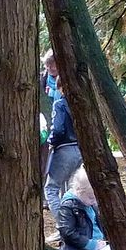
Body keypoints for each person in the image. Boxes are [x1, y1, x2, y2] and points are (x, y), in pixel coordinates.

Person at [44, 75, 82, 217]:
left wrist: (51, 141)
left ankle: (64, 225)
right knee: (74, 189)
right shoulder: (81, 104)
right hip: (80, 149)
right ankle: (78, 224)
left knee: (51, 188)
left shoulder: (60, 104)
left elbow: (58, 129)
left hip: (64, 149)